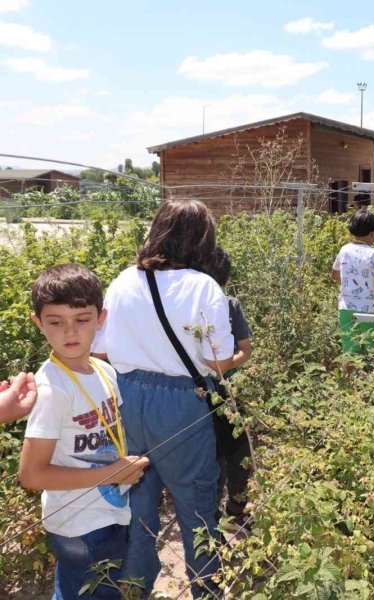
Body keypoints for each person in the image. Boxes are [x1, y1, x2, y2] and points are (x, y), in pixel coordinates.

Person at [93, 199, 235, 598]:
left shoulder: (123, 280)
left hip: (125, 399)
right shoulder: (203, 286)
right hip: (181, 406)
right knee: (196, 509)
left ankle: (136, 588)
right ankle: (206, 591)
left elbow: (100, 351)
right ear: (202, 240)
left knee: (136, 509)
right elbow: (218, 362)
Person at [20, 264, 150, 599]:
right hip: (78, 525)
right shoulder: (52, 388)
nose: (70, 332)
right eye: (55, 322)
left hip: (108, 510)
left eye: (81, 319)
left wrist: (121, 468)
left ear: (100, 318)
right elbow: (32, 475)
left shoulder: (105, 371)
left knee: (75, 589)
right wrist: (109, 474)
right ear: (38, 323)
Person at [206, 247, 254, 530]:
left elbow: (245, 350)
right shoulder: (185, 312)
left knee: (238, 450)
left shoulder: (230, 306)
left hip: (228, 389)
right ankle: (209, 517)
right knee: (211, 455)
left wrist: (221, 367)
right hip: (199, 393)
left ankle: (235, 510)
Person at [331, 210, 374, 355]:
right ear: (373, 233)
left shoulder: (344, 250)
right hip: (370, 309)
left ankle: (348, 377)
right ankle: (373, 377)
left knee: (349, 352)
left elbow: (335, 275)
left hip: (346, 308)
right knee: (372, 350)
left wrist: (352, 280)